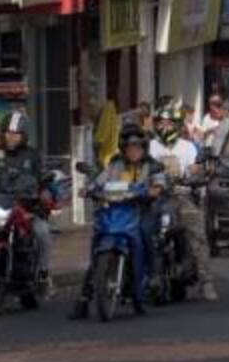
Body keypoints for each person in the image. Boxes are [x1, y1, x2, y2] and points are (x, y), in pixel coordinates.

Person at [70, 124, 166, 319]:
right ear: (123, 149)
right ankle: (84, 298)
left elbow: (159, 183)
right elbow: (99, 181)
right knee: (98, 245)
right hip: (116, 211)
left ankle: (154, 276)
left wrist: (154, 190)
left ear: (144, 148)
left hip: (141, 210)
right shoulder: (115, 164)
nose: (133, 151)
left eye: (137, 147)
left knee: (146, 233)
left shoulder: (153, 165)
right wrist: (88, 189)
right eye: (129, 148)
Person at [0, 111, 54, 294]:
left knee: (43, 233)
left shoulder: (33, 156)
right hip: (0, 209)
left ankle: (44, 274)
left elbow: (44, 180)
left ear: (23, 135)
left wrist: (45, 191)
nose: (11, 137)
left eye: (15, 133)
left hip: (27, 210)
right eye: (7, 133)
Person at [150, 100, 218, 301]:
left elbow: (196, 171)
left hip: (181, 197)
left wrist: (195, 174)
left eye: (169, 123)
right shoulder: (149, 147)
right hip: (154, 199)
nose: (165, 127)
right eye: (161, 123)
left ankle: (206, 281)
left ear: (177, 125)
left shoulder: (187, 148)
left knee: (197, 234)